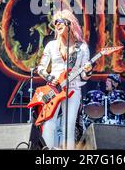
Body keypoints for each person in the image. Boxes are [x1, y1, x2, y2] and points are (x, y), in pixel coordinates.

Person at [37, 10, 93, 149]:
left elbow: (84, 76)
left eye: (60, 21)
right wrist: (50, 78)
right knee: (49, 123)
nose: (57, 24)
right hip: (53, 88)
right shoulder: (51, 45)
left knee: (68, 125)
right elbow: (40, 69)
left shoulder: (82, 48)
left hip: (73, 88)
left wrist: (88, 71)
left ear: (70, 24)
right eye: (55, 22)